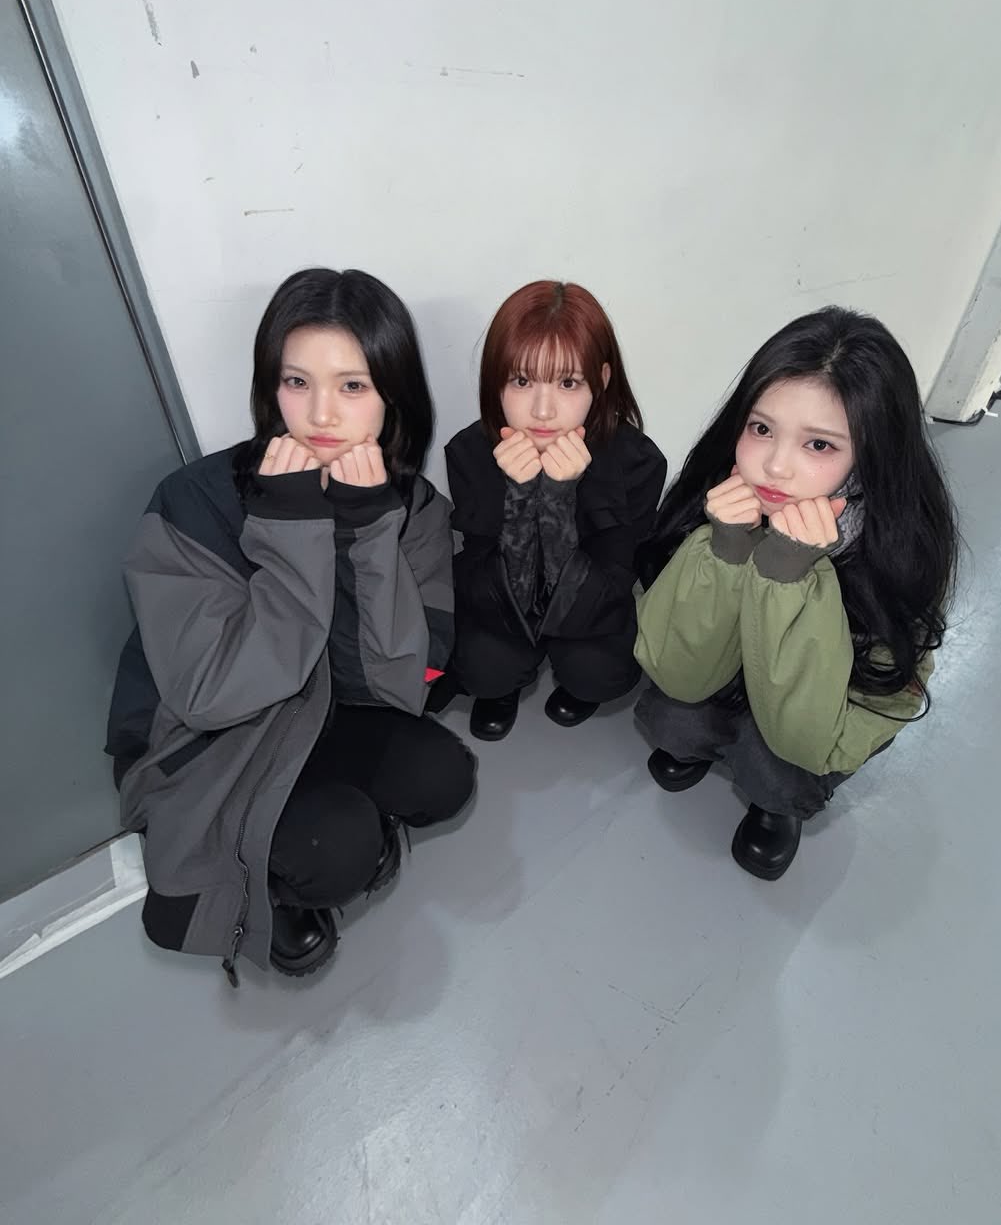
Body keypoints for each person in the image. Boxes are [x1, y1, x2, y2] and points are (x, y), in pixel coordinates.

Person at [107, 269, 476, 982]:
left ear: (393, 397)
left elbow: (406, 681)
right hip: (212, 739)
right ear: (269, 388)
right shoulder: (191, 502)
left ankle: (312, 827)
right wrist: (293, 527)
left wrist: (369, 534)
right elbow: (212, 695)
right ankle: (267, 886)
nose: (321, 414)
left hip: (334, 703)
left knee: (442, 775)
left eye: (353, 385)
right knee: (335, 847)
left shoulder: (414, 507)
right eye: (296, 382)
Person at [634, 305, 958, 880]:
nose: (775, 467)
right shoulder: (714, 504)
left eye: (820, 446)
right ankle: (704, 748)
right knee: (671, 715)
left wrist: (787, 579)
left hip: (812, 714)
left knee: (781, 767)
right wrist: (726, 552)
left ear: (871, 457)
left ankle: (774, 807)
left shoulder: (900, 553)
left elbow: (822, 733)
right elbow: (677, 672)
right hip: (721, 678)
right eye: (761, 429)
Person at [442, 281, 666, 741]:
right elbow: (480, 586)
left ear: (601, 380)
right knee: (481, 665)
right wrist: (521, 496)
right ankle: (503, 688)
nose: (543, 411)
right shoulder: (469, 452)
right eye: (522, 381)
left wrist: (559, 500)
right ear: (497, 381)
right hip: (503, 603)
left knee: (600, 669)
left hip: (591, 606)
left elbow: (612, 588)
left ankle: (577, 686)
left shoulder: (637, 462)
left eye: (567, 383)